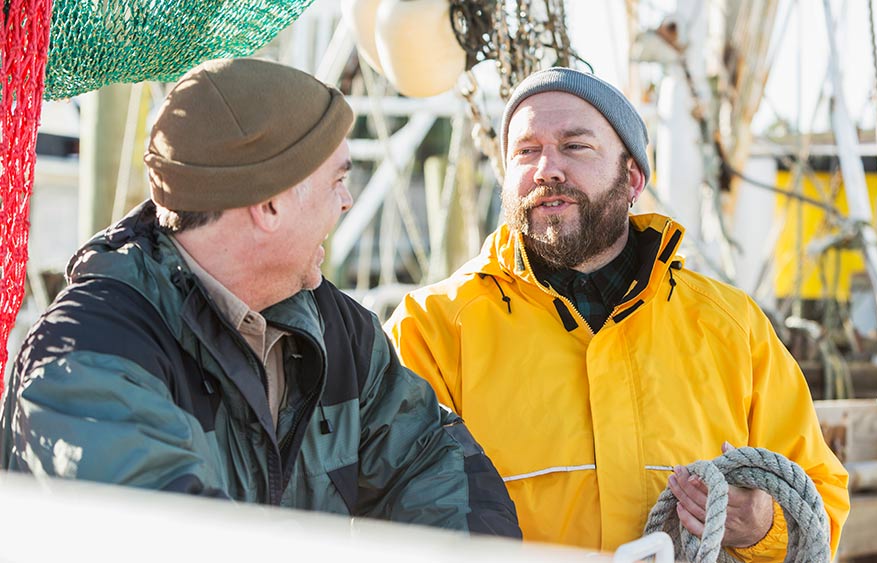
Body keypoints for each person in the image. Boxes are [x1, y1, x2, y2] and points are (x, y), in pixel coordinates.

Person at [0, 57, 520, 538]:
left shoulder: (335, 329)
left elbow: (429, 458)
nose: (347, 200)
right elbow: (162, 538)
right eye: (337, 179)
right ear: (269, 203)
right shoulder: (87, 358)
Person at [386, 67, 849, 559]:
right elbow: (383, 504)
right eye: (526, 150)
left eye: (574, 146)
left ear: (632, 177)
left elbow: (819, 499)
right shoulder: (431, 327)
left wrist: (763, 525)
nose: (547, 169)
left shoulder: (732, 327)